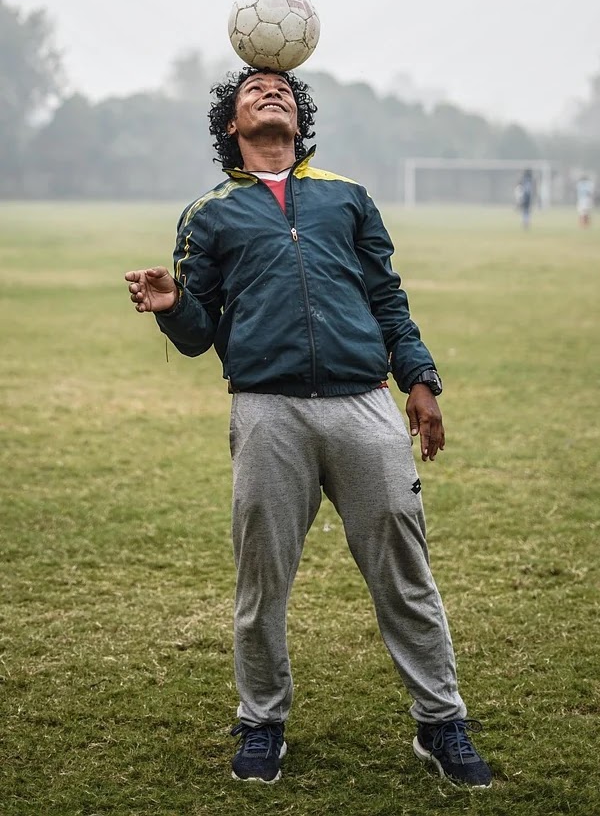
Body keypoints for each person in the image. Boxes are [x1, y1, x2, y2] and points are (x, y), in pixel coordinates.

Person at [124, 67, 492, 789]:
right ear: (230, 124)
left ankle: (440, 719)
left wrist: (419, 378)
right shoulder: (211, 214)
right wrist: (171, 304)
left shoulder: (346, 197)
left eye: (284, 89)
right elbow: (199, 335)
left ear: (300, 118)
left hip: (364, 403)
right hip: (266, 409)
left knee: (404, 569)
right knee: (261, 578)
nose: (272, 92)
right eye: (254, 89)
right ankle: (261, 721)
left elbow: (387, 296)